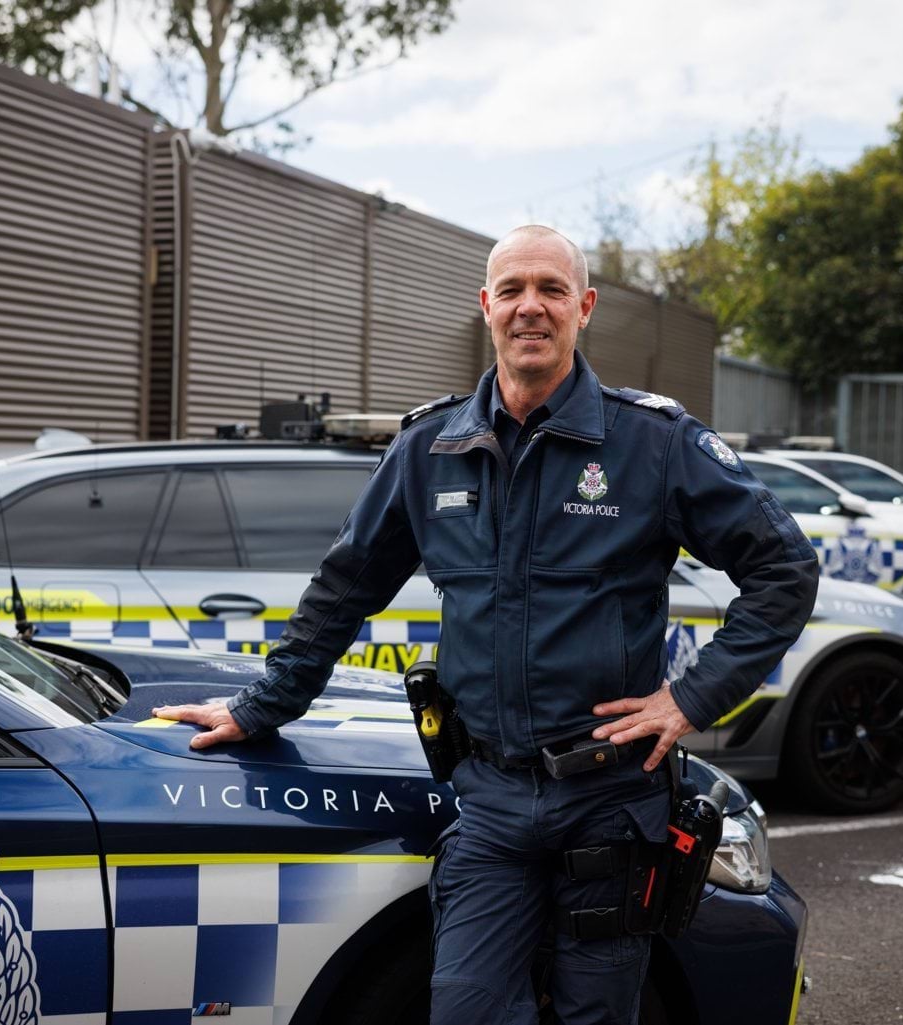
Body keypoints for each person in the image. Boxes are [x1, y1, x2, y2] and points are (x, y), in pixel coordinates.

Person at [152, 224, 820, 1024]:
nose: (529, 307)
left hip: (611, 797)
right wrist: (262, 705)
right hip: (492, 799)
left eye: (550, 289)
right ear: (486, 306)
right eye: (512, 290)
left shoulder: (654, 442)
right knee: (465, 1008)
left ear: (585, 308)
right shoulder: (430, 446)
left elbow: (785, 570)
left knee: (598, 1014)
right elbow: (344, 586)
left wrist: (691, 699)